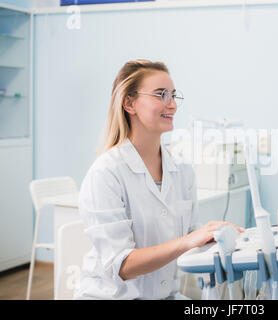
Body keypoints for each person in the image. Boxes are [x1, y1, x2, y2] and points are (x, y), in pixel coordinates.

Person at [73, 59, 243, 300]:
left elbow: (193, 239)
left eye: (173, 95)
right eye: (161, 95)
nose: (172, 105)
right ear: (129, 103)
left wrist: (227, 242)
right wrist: (188, 240)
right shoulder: (106, 173)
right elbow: (122, 266)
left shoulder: (182, 171)